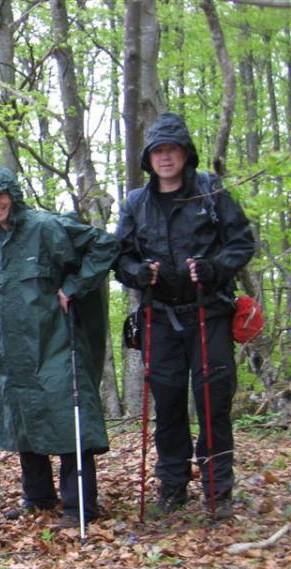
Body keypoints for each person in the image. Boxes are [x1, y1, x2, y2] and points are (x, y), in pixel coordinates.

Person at [114, 112, 255, 520]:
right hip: (159, 318)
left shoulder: (209, 190)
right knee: (169, 404)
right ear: (149, 158)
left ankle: (218, 491)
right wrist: (138, 273)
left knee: (213, 401)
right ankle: (172, 486)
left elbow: (242, 242)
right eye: (158, 151)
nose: (165, 157)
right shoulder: (136, 203)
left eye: (172, 149)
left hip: (209, 313)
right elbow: (120, 257)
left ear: (185, 154)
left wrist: (215, 269)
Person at [0, 165, 118, 529]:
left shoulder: (46, 227)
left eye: (0, 195)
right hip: (13, 345)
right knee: (24, 417)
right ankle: (37, 498)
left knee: (67, 414)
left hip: (56, 340)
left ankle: (78, 507)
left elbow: (104, 244)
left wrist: (74, 287)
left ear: (13, 196)